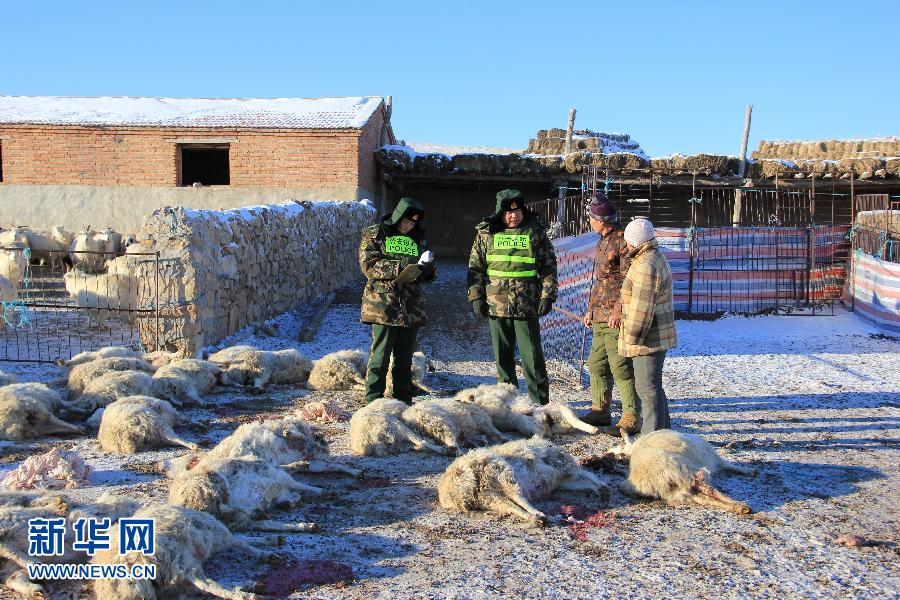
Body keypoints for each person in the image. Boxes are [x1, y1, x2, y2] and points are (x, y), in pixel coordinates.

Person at [468, 189, 558, 405]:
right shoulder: (486, 234)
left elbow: (548, 268)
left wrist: (548, 296)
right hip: (496, 304)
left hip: (528, 304)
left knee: (532, 357)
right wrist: (476, 297)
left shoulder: (535, 232)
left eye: (517, 212)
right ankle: (508, 401)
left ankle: (540, 403)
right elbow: (475, 269)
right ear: (500, 212)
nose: (513, 216)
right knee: (503, 356)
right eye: (508, 212)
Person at [359, 197, 436, 404]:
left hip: (411, 306)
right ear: (397, 217)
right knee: (380, 357)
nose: (409, 226)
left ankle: (402, 400)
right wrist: (400, 266)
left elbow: (426, 272)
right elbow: (369, 266)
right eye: (406, 222)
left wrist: (428, 270)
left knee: (404, 359)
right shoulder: (375, 234)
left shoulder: (418, 238)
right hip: (383, 305)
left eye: (413, 223)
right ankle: (373, 400)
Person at [581, 192, 642, 433]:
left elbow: (629, 279)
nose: (589, 222)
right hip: (599, 316)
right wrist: (590, 311)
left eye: (591, 218)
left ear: (600, 219)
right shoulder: (601, 240)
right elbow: (601, 282)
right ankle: (600, 411)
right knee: (596, 364)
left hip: (616, 318)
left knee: (621, 366)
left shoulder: (621, 241)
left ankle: (631, 416)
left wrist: (619, 309)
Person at [618, 216, 677, 433]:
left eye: (628, 240)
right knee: (653, 389)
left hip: (647, 339)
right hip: (655, 336)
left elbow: (641, 310)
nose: (626, 244)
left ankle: (650, 438)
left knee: (647, 390)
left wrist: (631, 338)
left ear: (636, 241)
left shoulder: (645, 264)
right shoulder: (653, 257)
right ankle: (664, 433)